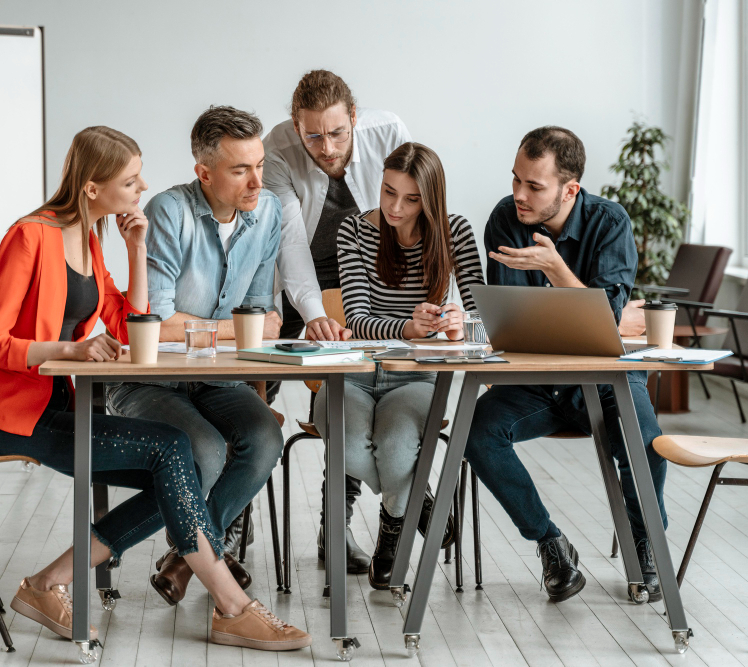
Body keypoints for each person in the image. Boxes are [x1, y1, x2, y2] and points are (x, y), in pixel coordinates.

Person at [0, 126, 309, 651]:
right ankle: (232, 605)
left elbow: (130, 323)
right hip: (4, 418)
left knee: (178, 465)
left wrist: (136, 249)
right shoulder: (30, 235)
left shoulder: (91, 238)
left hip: (60, 409)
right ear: (93, 188)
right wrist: (69, 351)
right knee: (172, 448)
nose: (143, 186)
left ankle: (47, 583)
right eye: (131, 178)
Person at [464, 126, 666, 603]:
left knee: (646, 443)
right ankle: (550, 542)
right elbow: (512, 318)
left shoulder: (609, 222)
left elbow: (605, 318)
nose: (519, 194)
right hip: (538, 380)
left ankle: (647, 547)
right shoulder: (504, 219)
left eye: (534, 186)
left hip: (604, 376)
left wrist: (557, 270)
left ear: (570, 189)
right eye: (516, 180)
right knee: (476, 433)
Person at [105, 107, 285, 604]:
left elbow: (266, 316)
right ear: (203, 172)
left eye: (260, 165)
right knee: (203, 448)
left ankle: (188, 555)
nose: (256, 181)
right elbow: (158, 324)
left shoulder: (267, 211)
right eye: (240, 169)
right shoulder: (169, 211)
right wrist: (237, 330)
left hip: (216, 377)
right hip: (150, 381)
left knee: (265, 435)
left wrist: (233, 329)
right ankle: (208, 556)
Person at [312, 142, 483, 589]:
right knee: (347, 448)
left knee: (394, 446)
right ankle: (419, 503)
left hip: (416, 377)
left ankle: (392, 534)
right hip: (351, 373)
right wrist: (407, 328)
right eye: (389, 192)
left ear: (430, 199)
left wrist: (460, 323)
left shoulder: (454, 232)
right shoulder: (354, 230)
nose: (394, 207)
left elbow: (488, 318)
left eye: (410, 199)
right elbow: (360, 318)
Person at [262, 70, 412, 572]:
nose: (326, 148)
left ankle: (335, 528)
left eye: (336, 133)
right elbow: (290, 243)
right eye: (313, 136)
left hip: (368, 272)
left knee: (351, 391)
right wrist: (314, 316)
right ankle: (230, 522)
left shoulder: (387, 131)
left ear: (354, 118)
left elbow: (411, 211)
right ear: (295, 125)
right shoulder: (278, 149)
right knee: (252, 385)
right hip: (297, 273)